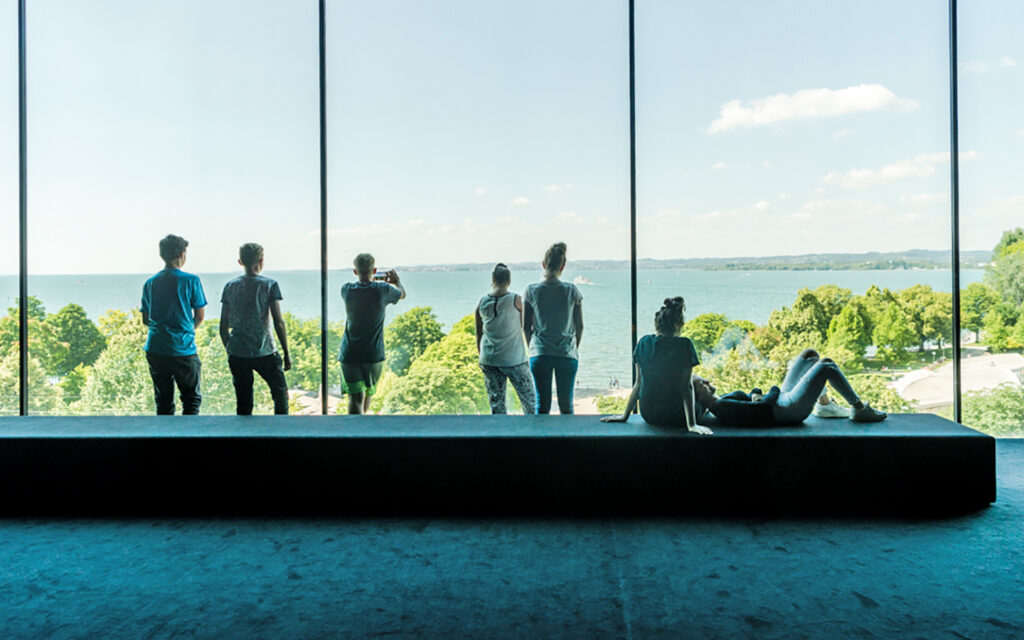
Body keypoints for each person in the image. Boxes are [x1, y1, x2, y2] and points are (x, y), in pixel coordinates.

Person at [601, 297, 712, 435]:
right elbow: (686, 387)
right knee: (704, 391)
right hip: (677, 416)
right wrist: (692, 425)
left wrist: (624, 416)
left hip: (648, 414)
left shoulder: (643, 342)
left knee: (695, 380)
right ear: (678, 325)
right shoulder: (684, 345)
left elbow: (638, 383)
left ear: (657, 324)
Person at [692, 349, 888, 427]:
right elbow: (763, 408)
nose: (707, 381)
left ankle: (825, 406)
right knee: (826, 365)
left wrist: (756, 394)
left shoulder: (721, 401)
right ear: (697, 396)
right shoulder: (723, 407)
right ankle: (860, 409)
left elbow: (753, 399)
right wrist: (773, 389)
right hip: (789, 410)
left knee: (810, 356)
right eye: (702, 384)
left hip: (782, 401)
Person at [219, 243, 292, 415]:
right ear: (261, 260)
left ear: (240, 261)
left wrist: (229, 348)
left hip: (238, 351)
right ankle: (281, 429)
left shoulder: (230, 286)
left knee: (243, 400)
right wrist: (286, 352)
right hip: (264, 349)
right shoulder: (269, 285)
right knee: (280, 394)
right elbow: (279, 322)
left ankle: (244, 431)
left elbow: (223, 324)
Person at [140, 234, 207, 415]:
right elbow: (200, 316)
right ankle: (188, 433)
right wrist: (185, 330)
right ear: (181, 254)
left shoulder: (150, 283)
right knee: (191, 401)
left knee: (163, 401)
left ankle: (164, 433)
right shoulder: (191, 280)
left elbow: (146, 319)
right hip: (183, 348)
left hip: (156, 348)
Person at [339, 253, 405, 415]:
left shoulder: (346, 290)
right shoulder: (383, 290)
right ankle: (362, 428)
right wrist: (396, 282)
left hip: (350, 352)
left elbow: (364, 289)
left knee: (355, 398)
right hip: (373, 353)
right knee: (368, 393)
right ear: (374, 270)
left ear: (355, 271)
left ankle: (355, 429)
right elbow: (402, 294)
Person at [523, 242, 584, 414]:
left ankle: (541, 434)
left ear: (544, 264)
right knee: (566, 406)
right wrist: (574, 347)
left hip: (540, 353)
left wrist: (533, 347)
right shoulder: (571, 290)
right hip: (566, 352)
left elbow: (526, 327)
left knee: (542, 406)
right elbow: (580, 326)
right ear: (563, 266)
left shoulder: (531, 290)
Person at [475, 263, 535, 415]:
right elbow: (527, 325)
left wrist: (481, 356)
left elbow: (479, 334)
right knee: (529, 401)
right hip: (514, 359)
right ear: (509, 281)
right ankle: (533, 429)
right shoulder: (516, 300)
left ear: (493, 279)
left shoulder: (482, 302)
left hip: (489, 359)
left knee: (497, 404)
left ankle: (500, 430)